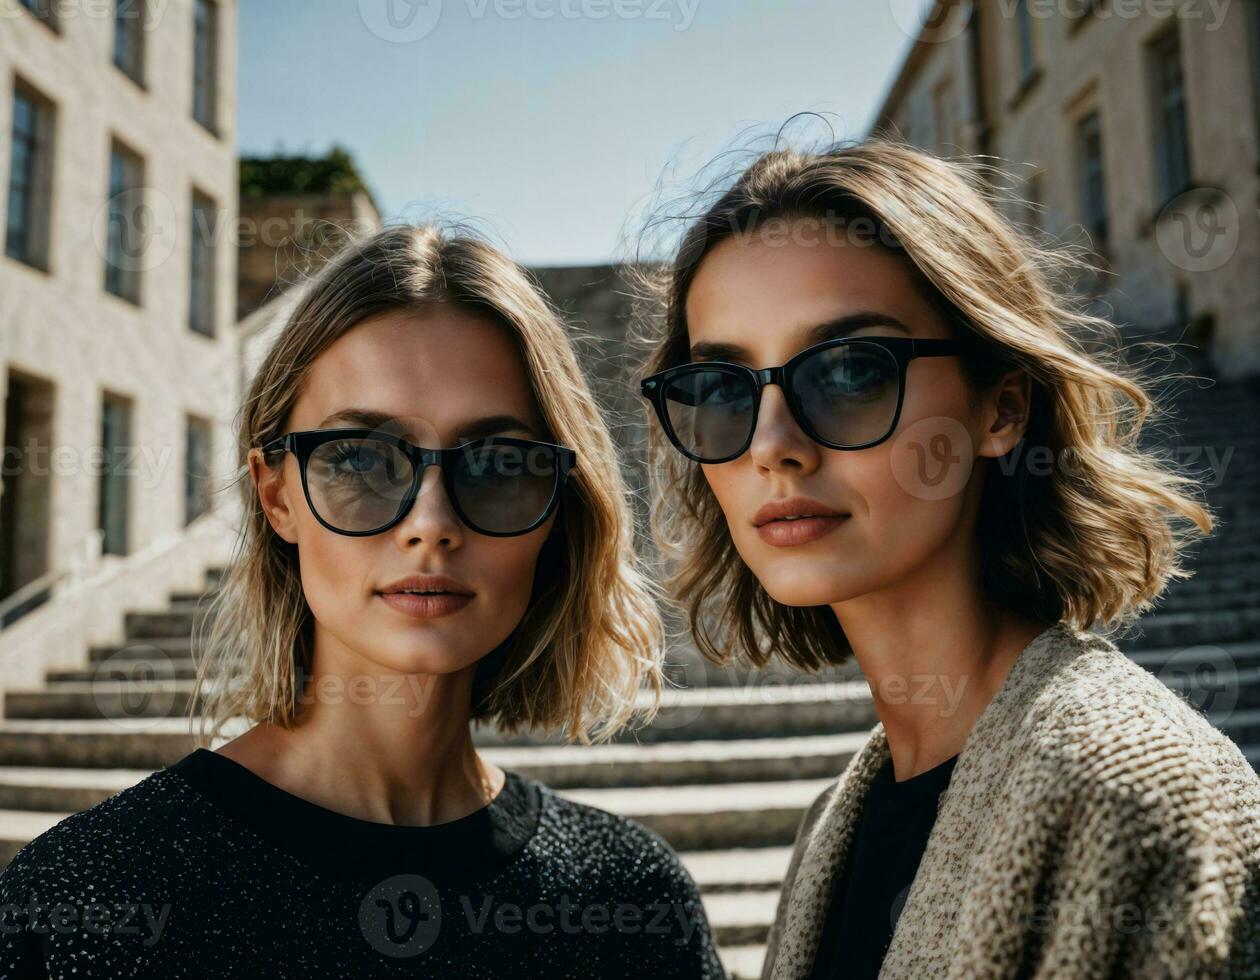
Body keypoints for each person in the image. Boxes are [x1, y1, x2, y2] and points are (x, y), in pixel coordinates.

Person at [0, 223, 724, 979]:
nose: (431, 524)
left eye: (498, 462)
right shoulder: (87, 902)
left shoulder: (634, 904)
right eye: (358, 458)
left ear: (558, 507)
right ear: (276, 495)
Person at [635, 136, 1260, 979]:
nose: (771, 446)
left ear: (1000, 408)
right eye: (721, 388)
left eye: (851, 371)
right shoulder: (835, 826)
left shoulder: (1137, 797)